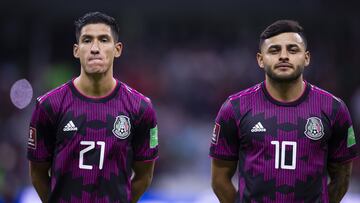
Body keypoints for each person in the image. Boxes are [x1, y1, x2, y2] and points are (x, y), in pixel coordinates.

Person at [209, 20, 359, 203]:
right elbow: (219, 179)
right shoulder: (234, 108)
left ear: (307, 57)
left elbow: (342, 177)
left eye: (293, 49)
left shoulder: (334, 109)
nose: (284, 56)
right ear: (260, 59)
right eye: (274, 50)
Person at [27, 12, 159, 203]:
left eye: (104, 40)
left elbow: (144, 176)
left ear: (117, 49)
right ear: (76, 50)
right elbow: (37, 174)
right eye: (87, 40)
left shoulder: (140, 108)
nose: (95, 48)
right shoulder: (49, 105)